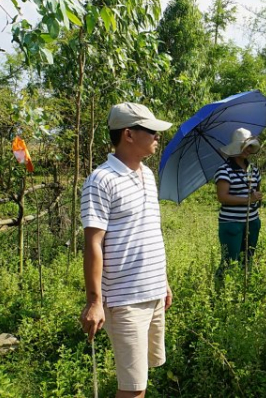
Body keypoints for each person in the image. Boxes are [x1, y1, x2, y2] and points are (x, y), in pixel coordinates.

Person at [80, 102, 173, 398]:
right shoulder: (101, 180)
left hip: (153, 292)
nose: (158, 136)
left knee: (146, 372)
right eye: (152, 131)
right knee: (133, 390)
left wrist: (163, 282)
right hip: (125, 299)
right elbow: (93, 242)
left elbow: (148, 232)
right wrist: (95, 301)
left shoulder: (147, 175)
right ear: (129, 135)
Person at [214, 127, 263, 275]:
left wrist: (257, 197)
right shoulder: (224, 170)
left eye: (250, 146)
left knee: (248, 260)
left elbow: (257, 192)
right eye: (245, 146)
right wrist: (248, 199)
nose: (248, 149)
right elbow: (222, 197)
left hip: (252, 221)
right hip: (232, 223)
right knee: (230, 261)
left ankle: (243, 292)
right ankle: (220, 291)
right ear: (236, 147)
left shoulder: (253, 170)